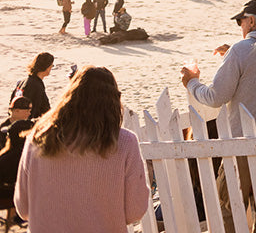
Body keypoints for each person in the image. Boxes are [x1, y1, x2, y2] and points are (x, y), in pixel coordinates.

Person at [182, 0, 256, 233]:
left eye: (241, 22)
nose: (241, 27)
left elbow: (216, 97)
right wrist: (235, 54)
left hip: (243, 144)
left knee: (229, 205)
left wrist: (192, 82)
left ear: (252, 21)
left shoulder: (241, 50)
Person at [14, 66, 149, 233]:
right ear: (114, 101)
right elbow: (135, 211)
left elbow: (23, 208)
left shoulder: (38, 137)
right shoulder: (125, 142)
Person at [0, 95, 35, 229]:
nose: (29, 112)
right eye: (27, 109)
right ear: (16, 110)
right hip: (12, 194)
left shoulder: (6, 152)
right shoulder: (4, 132)